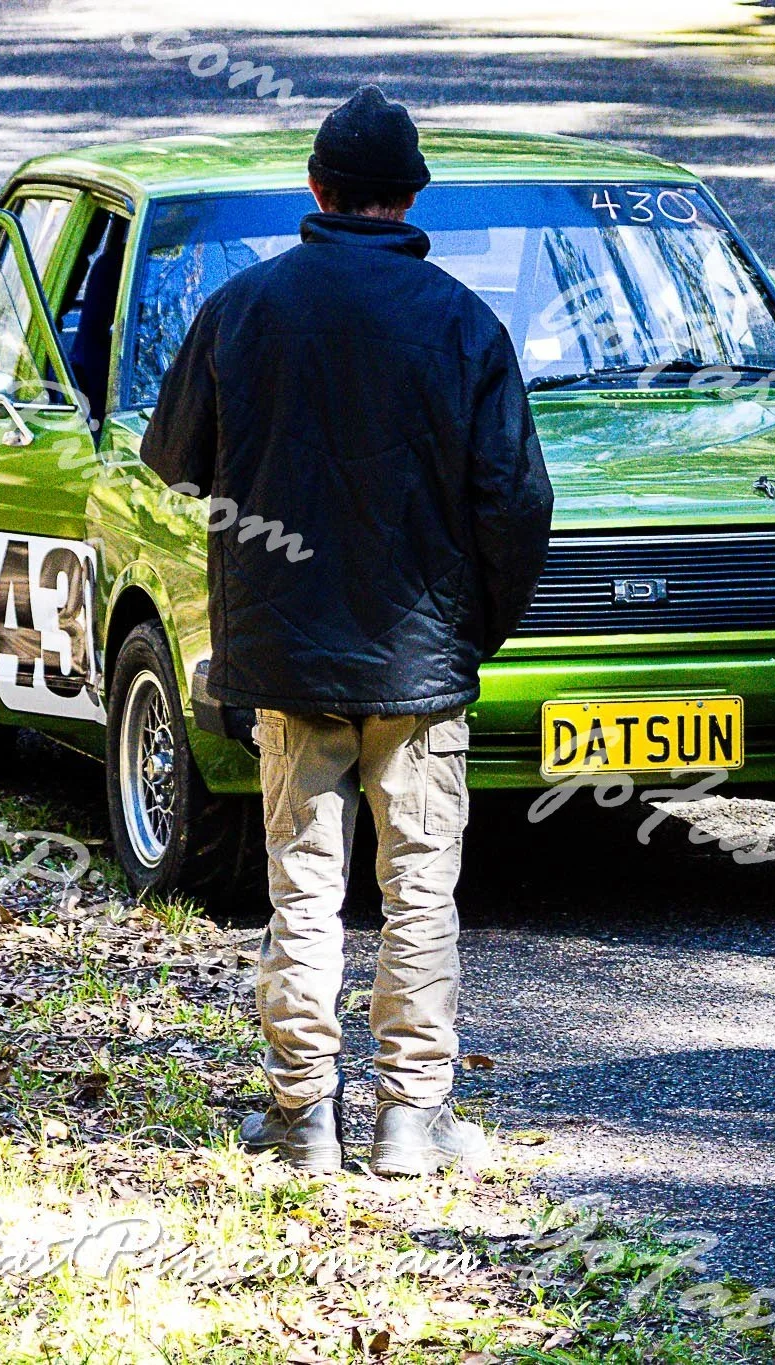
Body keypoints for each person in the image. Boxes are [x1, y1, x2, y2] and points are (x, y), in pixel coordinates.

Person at [144, 87, 554, 1176]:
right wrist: (479, 633)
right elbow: (516, 503)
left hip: (286, 661)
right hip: (419, 668)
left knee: (302, 887)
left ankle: (300, 1116)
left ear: (313, 192)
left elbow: (169, 462)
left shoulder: (244, 307)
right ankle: (411, 1121)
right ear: (412, 197)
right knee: (420, 891)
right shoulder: (463, 319)